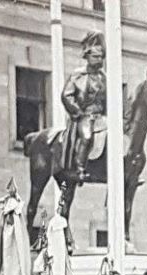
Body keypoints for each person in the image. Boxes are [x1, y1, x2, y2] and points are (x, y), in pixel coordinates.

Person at [62, 31, 107, 182]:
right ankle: (79, 168)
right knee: (86, 137)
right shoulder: (78, 75)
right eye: (95, 56)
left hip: (101, 116)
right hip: (84, 115)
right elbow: (66, 95)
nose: (99, 60)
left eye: (101, 57)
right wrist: (77, 111)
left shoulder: (104, 77)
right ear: (88, 57)